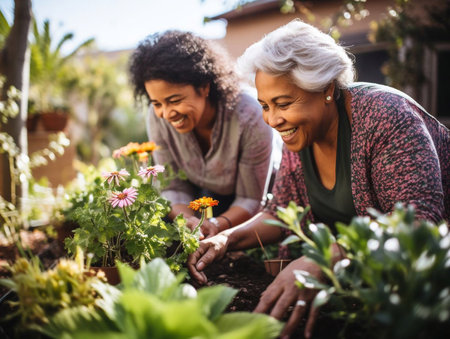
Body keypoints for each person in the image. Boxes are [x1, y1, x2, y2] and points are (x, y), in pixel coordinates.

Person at [187, 19, 450, 338]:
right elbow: (279, 212)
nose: (272, 120)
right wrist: (226, 238)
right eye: (265, 106)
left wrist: (325, 259)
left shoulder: (385, 117)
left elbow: (418, 223)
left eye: (283, 104)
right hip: (377, 288)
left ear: (326, 88)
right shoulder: (301, 134)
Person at [128, 30, 273, 238]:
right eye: (157, 103)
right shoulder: (157, 116)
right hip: (204, 196)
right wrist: (191, 223)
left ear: (204, 87)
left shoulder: (250, 115)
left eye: (175, 101)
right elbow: (173, 187)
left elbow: (250, 199)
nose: (166, 113)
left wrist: (216, 225)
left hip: (262, 203)